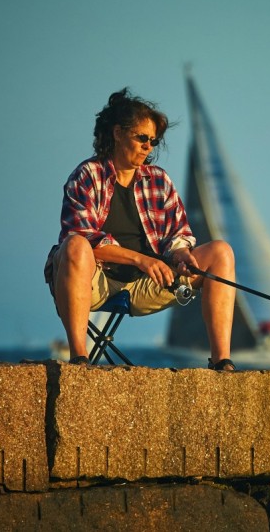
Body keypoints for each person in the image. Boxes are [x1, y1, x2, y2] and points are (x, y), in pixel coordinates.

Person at [44, 88, 236, 370]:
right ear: (118, 133)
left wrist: (181, 254)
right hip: (96, 283)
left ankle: (221, 363)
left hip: (147, 285)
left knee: (221, 252)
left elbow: (178, 235)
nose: (148, 146)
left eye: (153, 141)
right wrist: (141, 260)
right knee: (74, 246)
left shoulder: (159, 180)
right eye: (142, 138)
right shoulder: (87, 175)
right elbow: (82, 236)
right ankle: (79, 359)